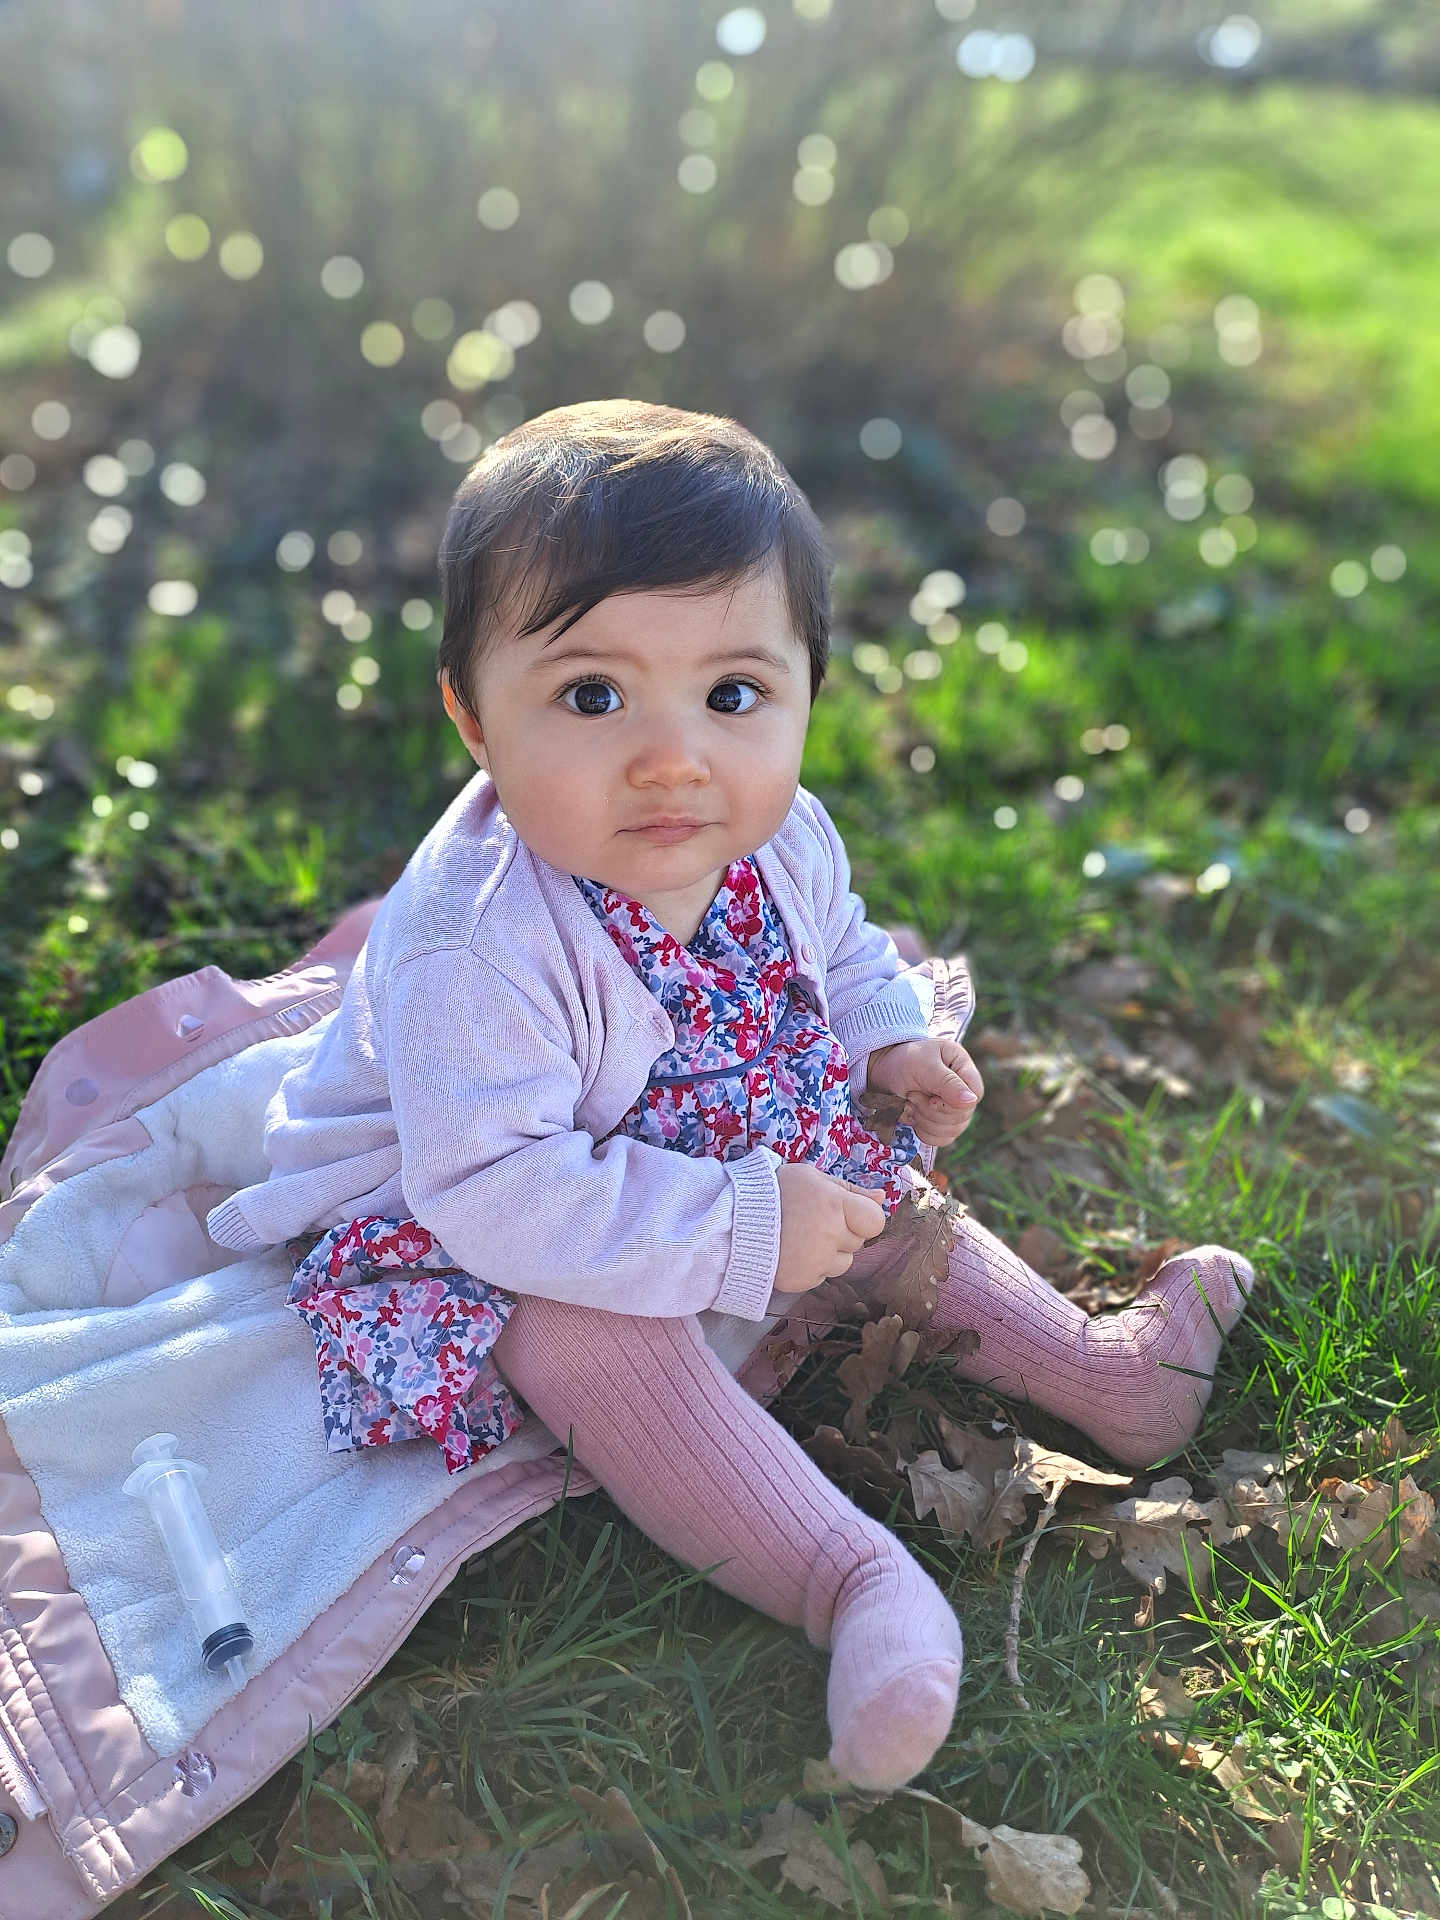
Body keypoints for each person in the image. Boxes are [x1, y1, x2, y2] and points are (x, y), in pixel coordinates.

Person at [206, 398, 1254, 1792]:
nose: (674, 756)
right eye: (592, 696)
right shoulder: (484, 947)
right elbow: (498, 1194)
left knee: (881, 1181)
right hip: (481, 1205)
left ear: (807, 688)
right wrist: (741, 1233)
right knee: (582, 1334)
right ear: (473, 714)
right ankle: (850, 1581)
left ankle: (1110, 1377)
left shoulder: (777, 833)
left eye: (734, 696)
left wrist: (884, 1037)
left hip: (709, 1141)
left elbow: (837, 942)